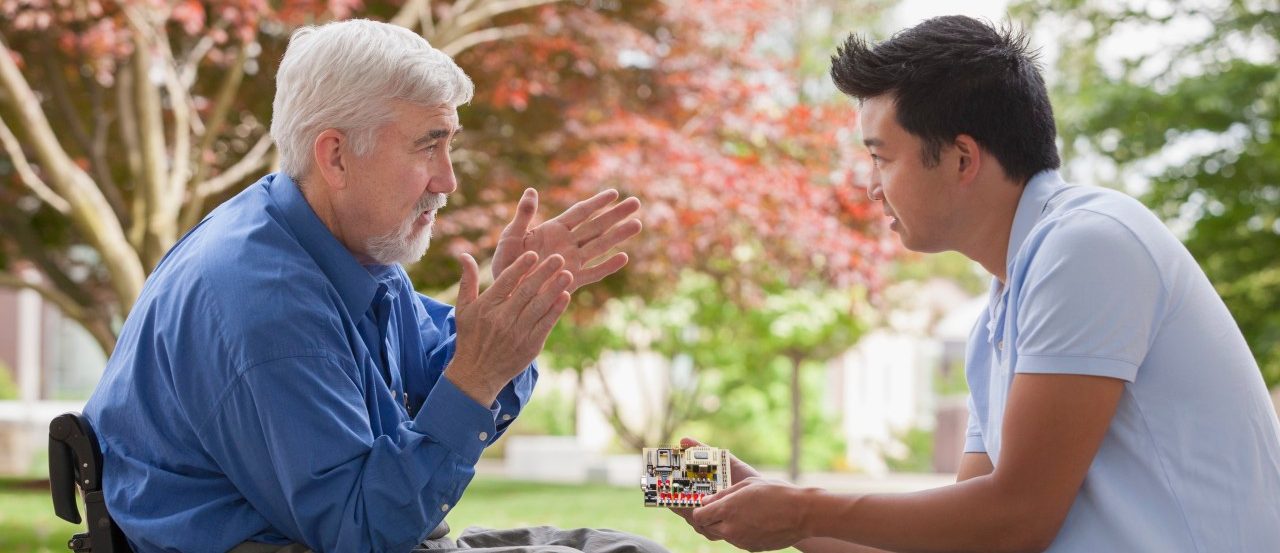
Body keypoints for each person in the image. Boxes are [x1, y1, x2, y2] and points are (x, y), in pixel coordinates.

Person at [677, 15, 1280, 552]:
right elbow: (966, 540)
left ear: (962, 158)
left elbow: (1015, 521)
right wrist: (759, 502)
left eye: (881, 157)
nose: (871, 187)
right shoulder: (999, 315)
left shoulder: (1091, 244)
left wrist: (801, 508)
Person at [84, 19, 663, 553]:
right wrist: (481, 373)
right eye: (427, 144)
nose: (448, 179)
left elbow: (440, 380)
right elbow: (362, 534)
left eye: (449, 143)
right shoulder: (267, 304)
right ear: (335, 156)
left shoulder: (334, 243)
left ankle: (727, 491)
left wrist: (515, 305)